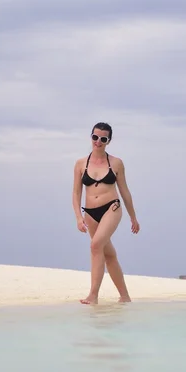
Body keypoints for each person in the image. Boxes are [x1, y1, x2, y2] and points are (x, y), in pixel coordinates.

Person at [72, 122, 140, 305]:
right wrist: (79, 217)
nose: (98, 142)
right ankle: (125, 297)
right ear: (91, 137)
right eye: (95, 137)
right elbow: (76, 193)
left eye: (103, 139)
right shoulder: (80, 164)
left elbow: (125, 191)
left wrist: (133, 217)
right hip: (90, 213)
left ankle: (93, 295)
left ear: (108, 141)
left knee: (95, 246)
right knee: (108, 254)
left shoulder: (116, 163)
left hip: (112, 207)